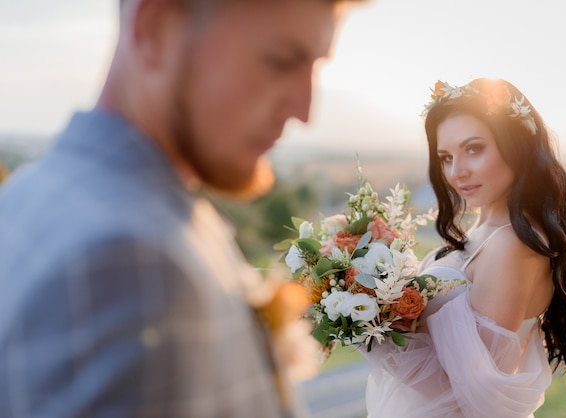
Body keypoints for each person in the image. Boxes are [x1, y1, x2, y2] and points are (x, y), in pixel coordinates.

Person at [0, 0, 363, 417]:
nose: (305, 110)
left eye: (315, 67)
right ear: (156, 30)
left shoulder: (28, 191)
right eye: (280, 61)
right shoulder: (132, 264)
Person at [361, 78, 566, 417]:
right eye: (445, 157)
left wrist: (365, 325)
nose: (457, 172)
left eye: (473, 149)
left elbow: (473, 396)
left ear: (517, 146)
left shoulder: (513, 246)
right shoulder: (482, 230)